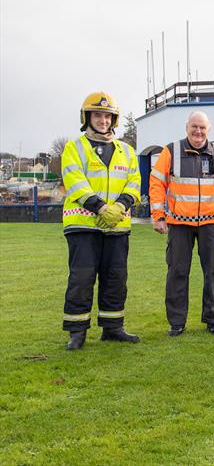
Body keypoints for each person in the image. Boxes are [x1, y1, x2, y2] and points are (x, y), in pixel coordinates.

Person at [60, 92, 141, 350]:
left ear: (113, 119)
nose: (103, 120)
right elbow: (75, 181)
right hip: (83, 225)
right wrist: (100, 207)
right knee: (82, 278)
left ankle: (113, 327)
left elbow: (134, 182)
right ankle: (77, 331)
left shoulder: (126, 151)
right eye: (98, 115)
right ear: (87, 117)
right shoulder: (74, 148)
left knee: (115, 277)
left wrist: (120, 206)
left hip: (117, 227)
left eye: (107, 116)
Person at [149, 111, 214, 337]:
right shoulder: (171, 151)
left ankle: (213, 319)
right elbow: (157, 183)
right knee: (177, 271)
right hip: (179, 223)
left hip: (211, 223)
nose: (198, 131)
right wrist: (158, 215)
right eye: (194, 127)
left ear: (209, 129)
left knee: (213, 271)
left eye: (202, 127)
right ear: (186, 127)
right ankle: (177, 322)